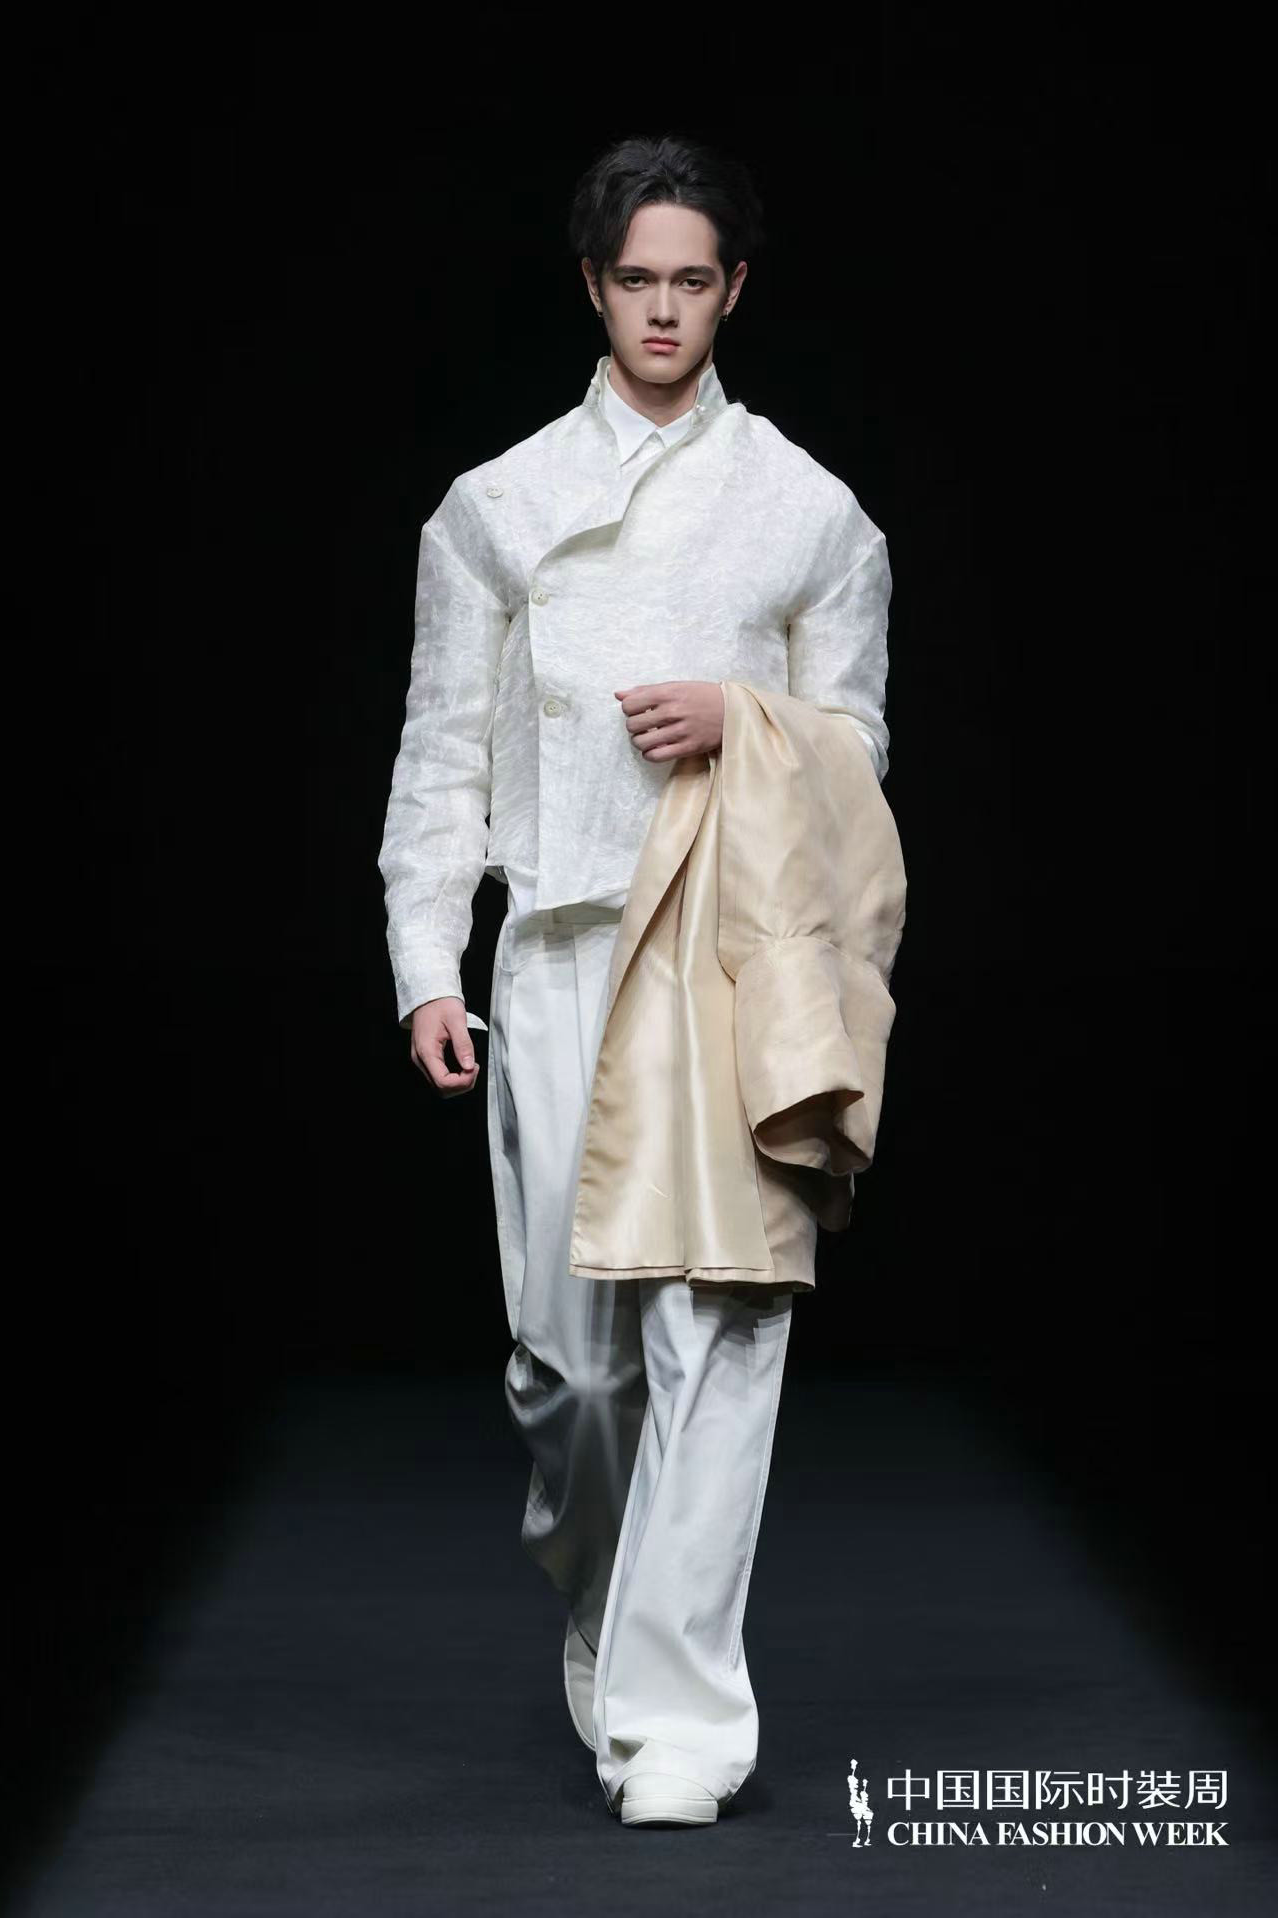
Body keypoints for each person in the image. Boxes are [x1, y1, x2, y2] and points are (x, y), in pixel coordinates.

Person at [376, 131, 892, 1828]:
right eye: (636, 281)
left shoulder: (809, 510)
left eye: (693, 281)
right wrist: (424, 958)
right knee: (572, 1368)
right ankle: (607, 1608)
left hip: (726, 959)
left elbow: (863, 754)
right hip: (559, 949)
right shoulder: (499, 505)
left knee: (723, 1327)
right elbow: (442, 751)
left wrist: (745, 715)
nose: (664, 310)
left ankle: (683, 1722)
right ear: (594, 287)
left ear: (733, 289)